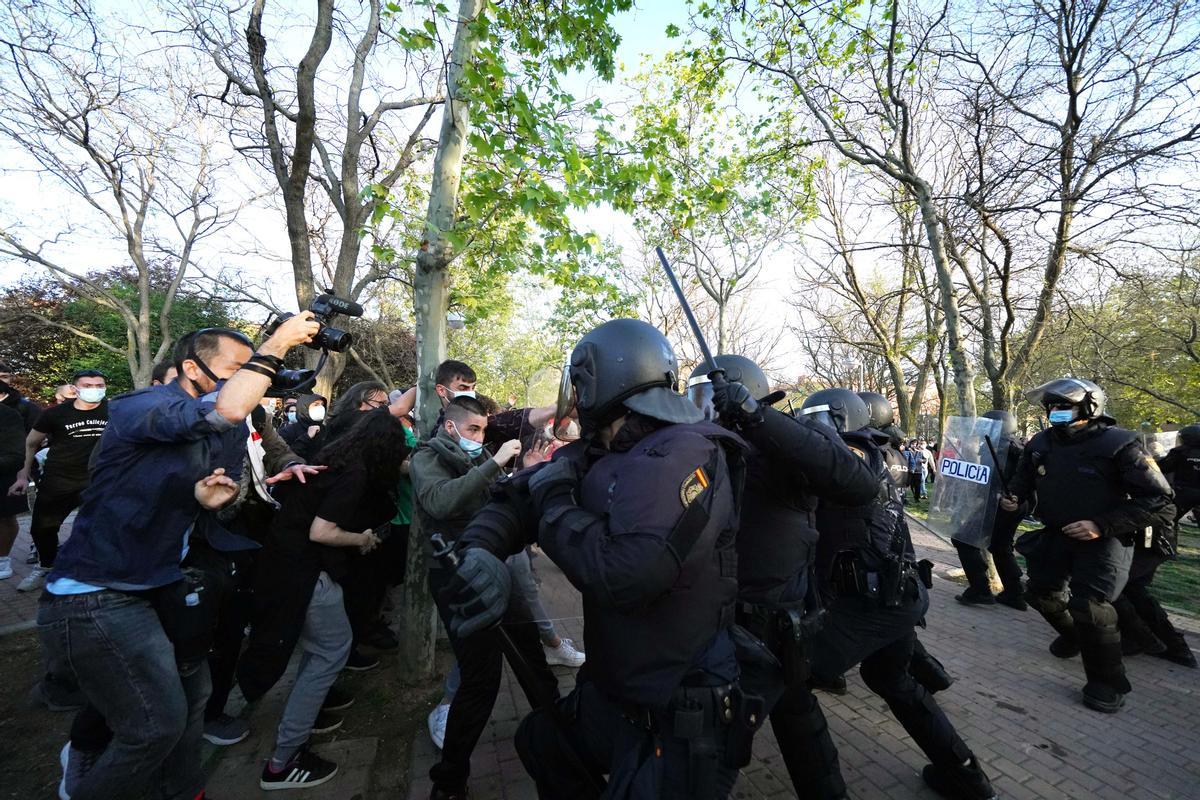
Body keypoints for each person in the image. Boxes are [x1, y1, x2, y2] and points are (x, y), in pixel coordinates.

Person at [441, 319, 750, 800]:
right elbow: (516, 498)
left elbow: (629, 573)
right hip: (617, 688)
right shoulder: (603, 447)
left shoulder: (687, 451)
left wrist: (556, 503)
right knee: (542, 744)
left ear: (598, 380)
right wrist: (478, 550)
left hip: (680, 702)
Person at [38, 315, 320, 800]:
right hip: (98, 595)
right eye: (236, 367)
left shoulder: (221, 432)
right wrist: (278, 342)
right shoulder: (142, 406)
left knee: (193, 702)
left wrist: (214, 498)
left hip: (163, 587)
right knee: (153, 727)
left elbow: (212, 483)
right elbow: (225, 411)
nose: (248, 378)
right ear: (191, 367)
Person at [689, 359, 878, 800]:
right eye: (696, 399)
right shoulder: (705, 448)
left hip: (772, 627)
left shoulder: (782, 451)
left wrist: (759, 418)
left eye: (712, 398)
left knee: (713, 749)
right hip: (728, 620)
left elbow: (857, 483)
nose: (704, 410)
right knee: (797, 715)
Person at [797, 389, 997, 800]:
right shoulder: (885, 453)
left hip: (864, 602)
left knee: (792, 686)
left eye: (818, 422)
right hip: (895, 591)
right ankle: (967, 775)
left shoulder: (849, 459)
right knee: (891, 679)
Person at [235, 408, 411, 789]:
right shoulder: (356, 474)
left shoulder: (335, 456)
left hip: (286, 565)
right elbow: (322, 531)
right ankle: (283, 762)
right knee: (332, 650)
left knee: (320, 650)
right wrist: (362, 538)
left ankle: (310, 711)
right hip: (303, 571)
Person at [1000, 377, 1175, 713]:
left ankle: (1106, 682)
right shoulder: (1041, 442)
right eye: (1050, 406)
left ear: (1090, 407)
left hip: (1103, 539)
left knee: (1091, 607)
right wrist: (1014, 498)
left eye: (1063, 406)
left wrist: (1101, 525)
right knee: (1039, 594)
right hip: (1055, 532)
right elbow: (1022, 481)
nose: (1054, 412)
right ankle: (1074, 637)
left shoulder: (1120, 444)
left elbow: (1160, 501)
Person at [411, 395, 556, 798]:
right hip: (458, 579)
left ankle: (563, 741)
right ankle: (450, 780)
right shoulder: (428, 458)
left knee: (532, 658)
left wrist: (524, 474)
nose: (480, 437)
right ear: (451, 426)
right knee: (480, 678)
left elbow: (498, 502)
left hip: (497, 565)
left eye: (483, 431)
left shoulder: (475, 458)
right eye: (473, 430)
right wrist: (494, 462)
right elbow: (440, 501)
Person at [202, 394, 322, 746]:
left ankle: (237, 688)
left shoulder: (254, 411)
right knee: (217, 628)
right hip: (210, 535)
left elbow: (276, 448)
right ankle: (208, 712)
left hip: (254, 528)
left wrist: (293, 464)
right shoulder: (197, 416)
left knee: (243, 617)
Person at [7, 370, 110, 592]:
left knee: (103, 527)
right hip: (59, 479)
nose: (95, 390)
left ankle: (97, 571)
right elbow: (31, 443)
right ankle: (46, 567)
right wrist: (22, 474)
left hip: (99, 480)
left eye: (99, 385)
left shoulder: (114, 411)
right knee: (42, 528)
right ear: (74, 389)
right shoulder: (55, 414)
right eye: (88, 385)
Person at [1110, 425, 1198, 668]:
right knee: (1132, 588)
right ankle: (1140, 638)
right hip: (1150, 537)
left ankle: (1162, 642)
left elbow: (1160, 506)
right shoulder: (1173, 467)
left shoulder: (1171, 467)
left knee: (1125, 587)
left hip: (1153, 537)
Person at [953, 409, 1028, 610]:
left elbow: (992, 479)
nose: (982, 428)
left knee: (962, 539)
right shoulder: (1014, 446)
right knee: (1000, 546)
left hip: (999, 504)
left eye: (986, 424)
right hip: (1014, 505)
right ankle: (1014, 593)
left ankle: (980, 589)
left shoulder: (997, 448)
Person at [0, 362, 40, 581]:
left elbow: (37, 440)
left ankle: (5, 558)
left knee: (7, 515)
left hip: (17, 468)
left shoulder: (25, 407)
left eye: (5, 376)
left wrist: (23, 471)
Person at [278, 393, 327, 460]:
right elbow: (284, 458)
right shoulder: (287, 431)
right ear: (304, 406)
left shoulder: (326, 430)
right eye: (316, 404)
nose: (320, 408)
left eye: (322, 405)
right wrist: (307, 437)